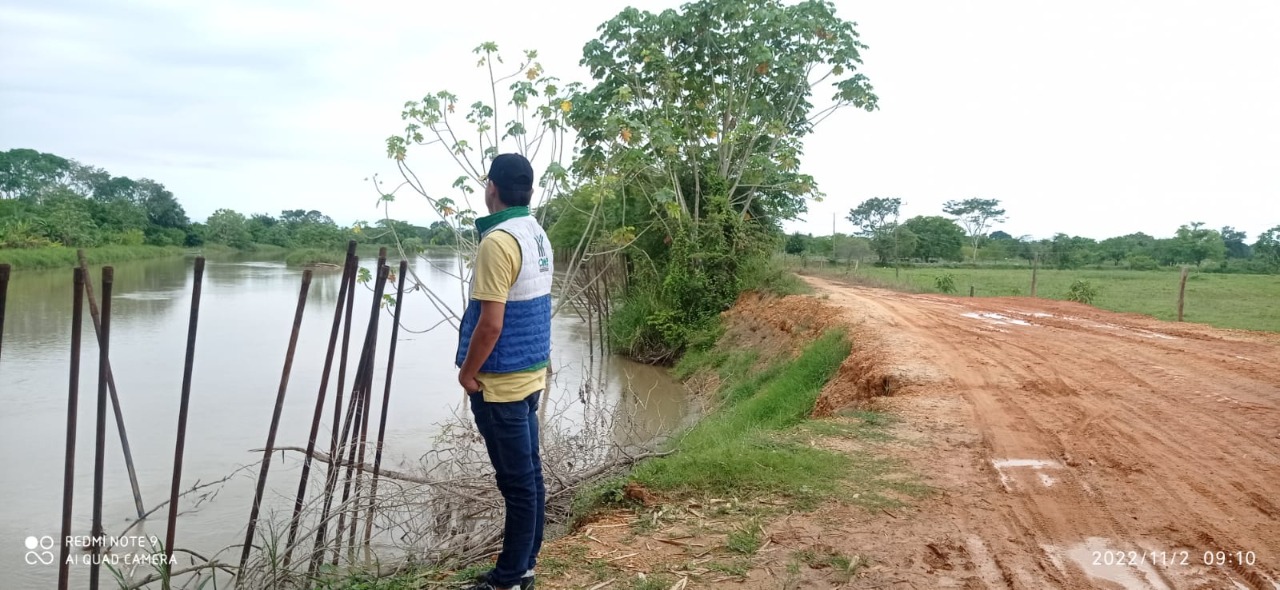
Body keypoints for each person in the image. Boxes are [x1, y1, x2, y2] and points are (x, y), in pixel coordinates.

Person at [457, 153, 552, 590]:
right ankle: (524, 567)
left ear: (491, 188)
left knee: (517, 485)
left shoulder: (497, 241)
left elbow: (490, 324)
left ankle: (509, 578)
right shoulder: (535, 232)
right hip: (530, 376)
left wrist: (468, 373)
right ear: (528, 191)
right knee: (529, 478)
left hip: (501, 384)